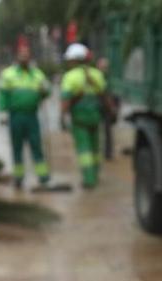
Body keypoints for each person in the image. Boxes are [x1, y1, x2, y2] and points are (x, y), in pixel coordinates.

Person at [0, 45, 51, 189]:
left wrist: (45, 89)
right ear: (17, 57)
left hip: (32, 116)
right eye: (21, 55)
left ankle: (43, 176)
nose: (24, 58)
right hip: (15, 116)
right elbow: (2, 94)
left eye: (26, 55)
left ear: (30, 58)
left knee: (36, 145)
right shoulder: (8, 74)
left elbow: (47, 92)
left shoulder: (37, 74)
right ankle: (19, 177)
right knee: (17, 147)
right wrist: (2, 112)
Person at [60, 43, 107, 189]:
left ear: (74, 60)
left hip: (79, 118)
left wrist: (62, 117)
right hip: (95, 116)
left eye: (69, 60)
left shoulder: (69, 77)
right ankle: (96, 174)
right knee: (95, 148)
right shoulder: (97, 74)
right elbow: (104, 95)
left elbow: (66, 101)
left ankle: (89, 179)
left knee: (84, 149)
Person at [96, 57, 120, 161]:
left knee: (108, 131)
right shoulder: (95, 77)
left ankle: (108, 153)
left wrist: (115, 109)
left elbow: (116, 95)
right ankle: (98, 152)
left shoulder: (112, 79)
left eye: (105, 67)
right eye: (102, 67)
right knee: (96, 130)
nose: (104, 69)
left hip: (108, 109)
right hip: (97, 107)